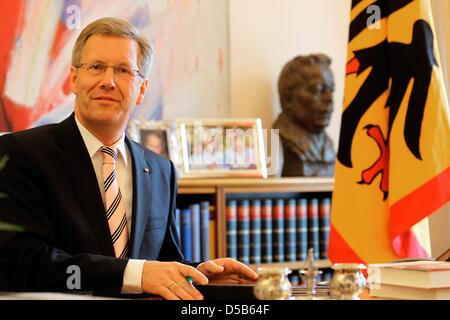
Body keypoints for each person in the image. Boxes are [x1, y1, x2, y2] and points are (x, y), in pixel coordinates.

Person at [0, 17, 257, 299]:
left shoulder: (161, 170)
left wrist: (196, 276)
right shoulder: (22, 153)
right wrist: (134, 274)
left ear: (142, 89)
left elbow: (158, 264)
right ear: (74, 78)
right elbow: (19, 264)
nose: (108, 82)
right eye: (96, 67)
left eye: (123, 70)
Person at [272, 53, 335, 177]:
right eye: (317, 90)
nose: (329, 99)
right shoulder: (278, 141)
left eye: (331, 90)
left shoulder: (328, 145)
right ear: (288, 98)